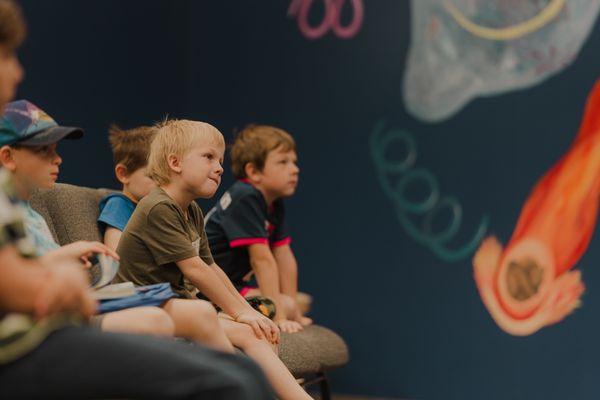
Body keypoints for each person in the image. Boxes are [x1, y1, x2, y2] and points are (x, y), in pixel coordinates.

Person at [116, 119, 313, 400]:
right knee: (241, 323)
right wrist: (240, 312)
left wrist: (247, 311)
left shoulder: (192, 210)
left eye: (220, 160)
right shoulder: (159, 206)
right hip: (143, 307)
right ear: (175, 162)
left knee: (257, 333)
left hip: (178, 304)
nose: (220, 167)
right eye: (209, 157)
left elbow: (211, 266)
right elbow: (195, 269)